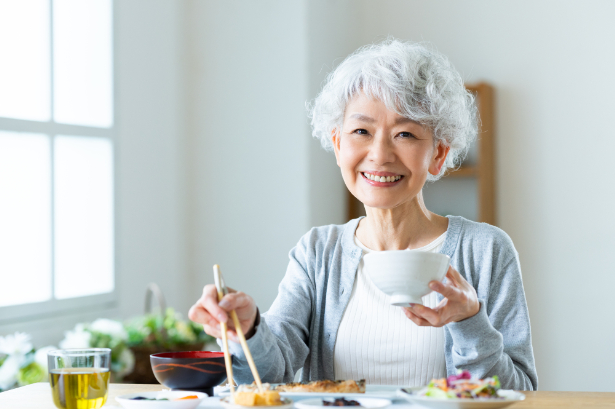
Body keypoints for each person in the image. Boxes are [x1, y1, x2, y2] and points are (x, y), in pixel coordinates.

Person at [189, 39, 537, 390]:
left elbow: (521, 392)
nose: (380, 154)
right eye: (361, 132)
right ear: (338, 144)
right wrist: (247, 331)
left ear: (438, 154)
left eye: (405, 133)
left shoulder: (486, 250)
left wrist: (470, 322)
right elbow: (265, 378)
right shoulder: (317, 252)